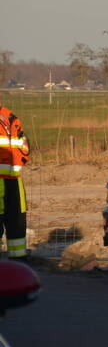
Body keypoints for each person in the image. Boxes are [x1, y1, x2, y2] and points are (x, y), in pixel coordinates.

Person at [0, 100, 30, 260]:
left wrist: (21, 161)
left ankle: (18, 261)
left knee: (17, 221)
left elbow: (24, 147)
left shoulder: (10, 118)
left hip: (14, 179)